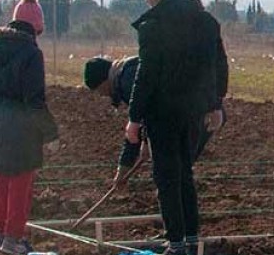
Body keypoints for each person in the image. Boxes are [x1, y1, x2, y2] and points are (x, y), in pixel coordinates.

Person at [124, 0, 229, 255]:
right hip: (195, 109)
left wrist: (134, 117)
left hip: (163, 111)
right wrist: (216, 104)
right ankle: (192, 237)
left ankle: (176, 242)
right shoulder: (205, 22)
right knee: (185, 172)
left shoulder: (154, 26)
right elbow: (219, 64)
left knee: (167, 176)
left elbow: (145, 75)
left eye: (149, 0)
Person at [0, 3, 58, 255]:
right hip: (22, 125)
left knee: (1, 181)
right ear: (36, 26)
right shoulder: (31, 53)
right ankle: (13, 238)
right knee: (20, 185)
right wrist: (50, 133)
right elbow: (34, 99)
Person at [84, 53, 216, 188]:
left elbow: (151, 109)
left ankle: (177, 205)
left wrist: (147, 141)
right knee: (176, 172)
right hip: (189, 112)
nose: (102, 94)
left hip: (191, 113)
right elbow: (138, 124)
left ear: (103, 82)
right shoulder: (125, 75)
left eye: (98, 90)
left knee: (173, 174)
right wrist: (123, 168)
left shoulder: (127, 80)